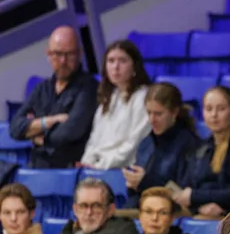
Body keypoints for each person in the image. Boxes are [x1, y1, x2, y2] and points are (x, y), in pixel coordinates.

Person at [9, 26, 98, 169]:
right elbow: (14, 128)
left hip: (69, 168)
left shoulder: (89, 88)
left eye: (69, 54)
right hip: (37, 165)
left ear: (80, 53)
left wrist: (36, 135)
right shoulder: (41, 89)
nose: (63, 61)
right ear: (48, 54)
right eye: (57, 54)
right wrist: (47, 122)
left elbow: (69, 132)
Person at [178, 86, 230, 219]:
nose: (214, 115)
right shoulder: (201, 147)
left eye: (221, 109)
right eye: (208, 109)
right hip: (200, 210)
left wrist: (197, 197)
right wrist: (199, 206)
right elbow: (186, 187)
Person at [125, 83, 201, 207]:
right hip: (141, 207)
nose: (152, 119)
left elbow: (182, 195)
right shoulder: (146, 142)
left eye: (158, 114)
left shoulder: (190, 145)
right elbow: (134, 192)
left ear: (174, 112)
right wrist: (132, 184)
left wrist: (145, 182)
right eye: (149, 113)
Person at [80, 40, 153, 170]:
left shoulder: (143, 97)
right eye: (111, 61)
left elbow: (134, 144)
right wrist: (86, 163)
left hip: (123, 169)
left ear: (134, 66)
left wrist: (100, 166)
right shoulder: (109, 98)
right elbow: (94, 140)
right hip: (98, 167)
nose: (116, 67)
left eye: (122, 61)